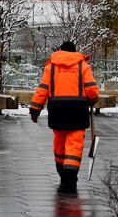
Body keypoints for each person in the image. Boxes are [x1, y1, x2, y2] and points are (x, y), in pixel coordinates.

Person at [29, 41, 99, 194]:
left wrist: (35, 109)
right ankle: (70, 178)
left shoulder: (51, 67)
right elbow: (91, 89)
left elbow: (42, 89)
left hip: (57, 110)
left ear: (60, 51)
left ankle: (62, 175)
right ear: (75, 52)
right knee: (74, 144)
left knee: (60, 143)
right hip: (78, 110)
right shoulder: (83, 66)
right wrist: (93, 99)